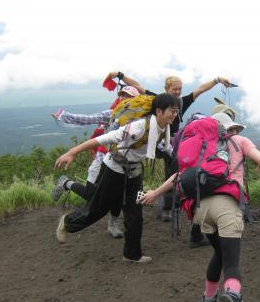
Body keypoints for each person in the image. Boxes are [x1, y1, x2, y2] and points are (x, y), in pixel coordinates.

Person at [139, 111, 260, 302]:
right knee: (231, 261)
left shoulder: (199, 147)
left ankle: (209, 300)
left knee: (219, 252)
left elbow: (178, 176)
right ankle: (233, 298)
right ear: (229, 129)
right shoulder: (239, 141)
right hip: (227, 206)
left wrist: (155, 193)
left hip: (199, 211)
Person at [53, 93, 179, 263]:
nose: (175, 114)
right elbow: (104, 138)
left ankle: (132, 254)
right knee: (98, 209)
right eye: (172, 110)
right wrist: (72, 152)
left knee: (135, 213)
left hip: (134, 172)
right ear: (159, 111)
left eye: (176, 111)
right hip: (114, 169)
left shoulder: (164, 127)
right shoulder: (139, 127)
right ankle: (68, 222)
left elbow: (166, 147)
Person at [105, 72, 234, 223]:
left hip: (171, 143)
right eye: (175, 89)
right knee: (174, 165)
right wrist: (120, 75)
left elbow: (201, 89)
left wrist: (218, 80)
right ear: (167, 89)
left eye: (180, 89)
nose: (178, 92)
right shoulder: (158, 100)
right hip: (155, 142)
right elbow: (137, 86)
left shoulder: (181, 102)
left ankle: (167, 205)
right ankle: (163, 203)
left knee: (176, 168)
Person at [51, 124, 124, 238]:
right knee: (92, 196)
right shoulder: (114, 113)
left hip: (118, 169)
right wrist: (63, 116)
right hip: (100, 164)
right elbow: (87, 119)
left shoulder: (141, 119)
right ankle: (65, 183)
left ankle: (112, 225)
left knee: (119, 194)